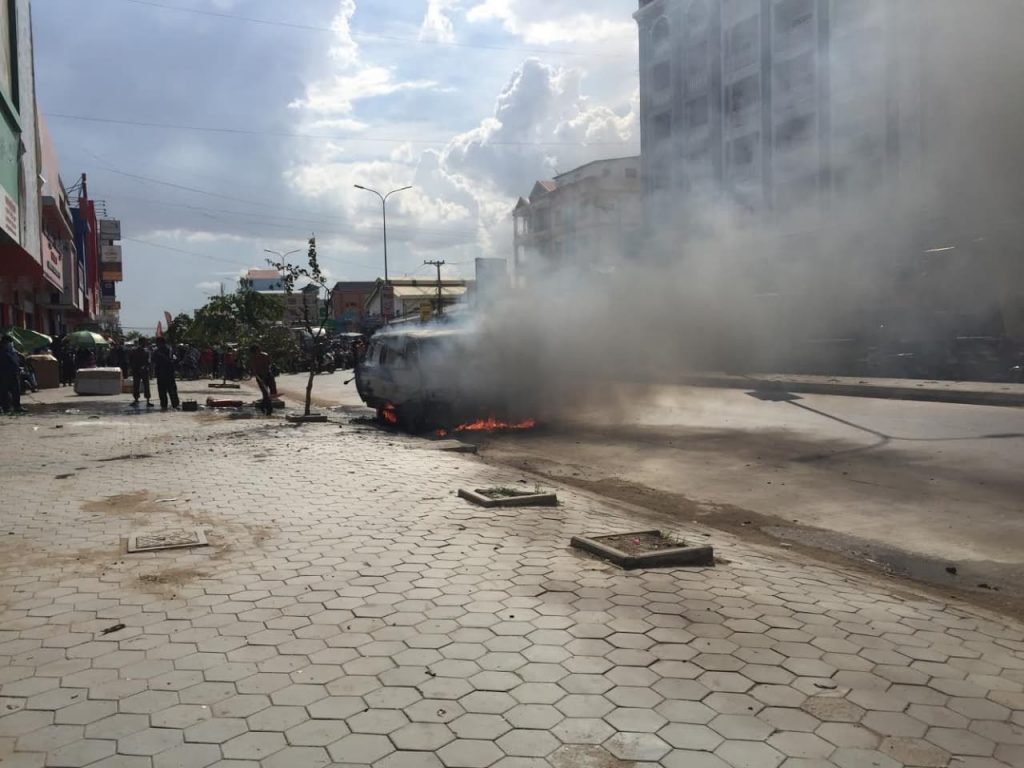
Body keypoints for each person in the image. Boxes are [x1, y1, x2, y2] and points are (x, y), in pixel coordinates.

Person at [152, 337, 180, 411]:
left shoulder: (160, 351)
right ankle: (173, 405)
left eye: (157, 343)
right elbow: (175, 360)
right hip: (167, 373)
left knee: (165, 390)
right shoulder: (169, 349)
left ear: (161, 343)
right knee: (169, 390)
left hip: (164, 373)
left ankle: (166, 405)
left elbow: (154, 361)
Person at [0, 335, 24, 414]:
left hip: (14, 373)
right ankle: (6, 408)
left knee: (16, 391)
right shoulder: (2, 351)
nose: (11, 344)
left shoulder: (11, 351)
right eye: (9, 342)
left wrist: (18, 368)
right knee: (4, 392)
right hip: (4, 374)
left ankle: (17, 406)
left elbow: (16, 360)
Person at [249, 344, 274, 416]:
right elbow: (253, 370)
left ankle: (262, 405)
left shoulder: (265, 355)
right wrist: (258, 377)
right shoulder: (253, 358)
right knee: (265, 393)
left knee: (273, 391)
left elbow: (270, 364)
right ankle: (269, 410)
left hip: (268, 375)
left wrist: (267, 370)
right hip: (260, 376)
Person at [129, 339, 153, 408]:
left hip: (139, 370)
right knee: (142, 385)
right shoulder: (145, 351)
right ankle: (144, 400)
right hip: (140, 370)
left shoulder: (135, 350)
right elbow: (148, 362)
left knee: (139, 385)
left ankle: (141, 400)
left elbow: (131, 360)